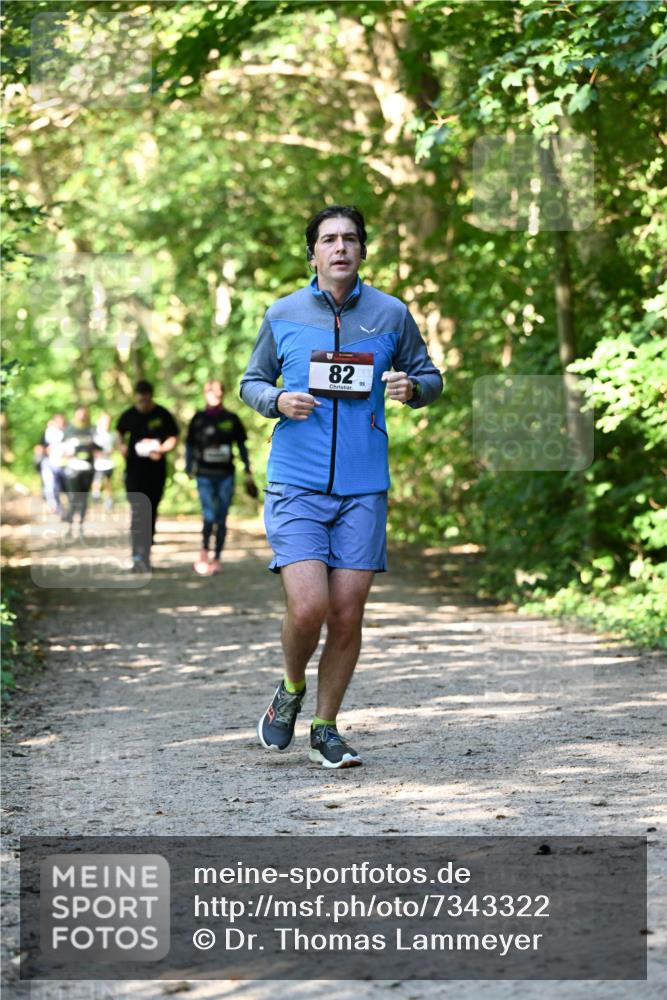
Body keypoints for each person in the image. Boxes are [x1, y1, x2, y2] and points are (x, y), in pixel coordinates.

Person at [240, 205, 443, 769]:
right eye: (328, 239)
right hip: (297, 482)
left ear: (361, 250)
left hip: (362, 486)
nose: (340, 248)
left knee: (347, 614)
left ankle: (326, 727)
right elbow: (251, 381)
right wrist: (275, 399)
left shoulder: (391, 313)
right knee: (309, 607)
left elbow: (431, 377)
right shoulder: (282, 313)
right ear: (313, 253)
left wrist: (412, 386)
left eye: (350, 238)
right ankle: (289, 689)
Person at [186, 379, 257, 576]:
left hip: (226, 475)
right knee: (209, 516)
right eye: (211, 391)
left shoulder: (232, 419)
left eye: (218, 391)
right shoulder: (198, 419)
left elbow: (242, 446)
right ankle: (203, 552)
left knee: (222, 516)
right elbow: (190, 444)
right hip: (204, 474)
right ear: (205, 393)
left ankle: (217, 558)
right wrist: (188, 466)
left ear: (223, 394)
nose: (214, 395)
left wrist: (248, 472)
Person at [116, 380, 178, 573]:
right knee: (137, 512)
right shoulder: (129, 415)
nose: (143, 403)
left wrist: (163, 449)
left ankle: (146, 555)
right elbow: (118, 432)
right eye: (140, 399)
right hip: (134, 472)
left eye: (146, 399)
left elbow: (174, 436)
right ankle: (137, 556)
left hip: (156, 472)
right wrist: (121, 446)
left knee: (150, 512)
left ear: (151, 396)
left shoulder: (162, 414)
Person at [61, 406, 99, 538]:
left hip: (88, 469)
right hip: (72, 469)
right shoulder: (68, 430)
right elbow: (60, 450)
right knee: (73, 497)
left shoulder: (92, 430)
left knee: (83, 498)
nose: (82, 417)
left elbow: (99, 448)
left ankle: (81, 526)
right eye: (80, 414)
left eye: (84, 415)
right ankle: (70, 526)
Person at [39, 413, 67, 516]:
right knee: (50, 486)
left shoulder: (66, 432)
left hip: (61, 464)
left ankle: (60, 508)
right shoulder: (48, 432)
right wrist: (45, 450)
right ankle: (54, 506)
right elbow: (40, 446)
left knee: (58, 487)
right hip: (48, 463)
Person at [92, 412, 116, 508]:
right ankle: (96, 495)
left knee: (108, 482)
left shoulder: (111, 435)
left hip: (108, 463)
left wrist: (108, 452)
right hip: (97, 463)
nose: (106, 423)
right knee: (96, 480)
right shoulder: (95, 434)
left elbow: (112, 449)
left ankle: (108, 500)